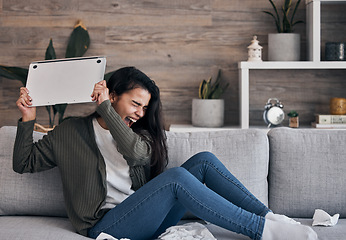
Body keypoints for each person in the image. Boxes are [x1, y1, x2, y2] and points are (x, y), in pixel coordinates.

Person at [14, 66, 318, 240]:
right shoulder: (69, 132)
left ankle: (271, 217)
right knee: (175, 179)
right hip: (104, 226)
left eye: (145, 107)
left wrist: (111, 110)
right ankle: (262, 231)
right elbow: (23, 163)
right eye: (135, 103)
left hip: (145, 215)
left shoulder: (142, 134)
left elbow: (135, 154)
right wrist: (28, 119)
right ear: (113, 94)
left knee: (203, 162)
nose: (139, 113)